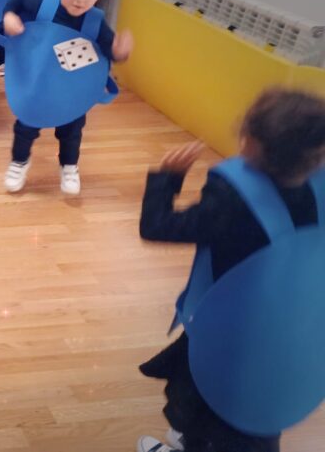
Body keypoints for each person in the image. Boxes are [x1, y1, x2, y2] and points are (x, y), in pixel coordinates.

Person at [135, 88, 325, 452]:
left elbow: (156, 226)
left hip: (231, 331)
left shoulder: (232, 201)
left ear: (250, 142)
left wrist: (168, 178)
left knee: (222, 409)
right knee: (262, 404)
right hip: (295, 327)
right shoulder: (319, 189)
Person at [0, 0, 133, 194]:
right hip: (38, 84)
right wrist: (9, 15)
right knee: (26, 125)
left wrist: (120, 52)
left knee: (71, 130)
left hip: (70, 91)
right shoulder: (43, 4)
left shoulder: (95, 23)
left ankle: (69, 166)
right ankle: (19, 162)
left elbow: (108, 53)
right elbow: (17, 0)